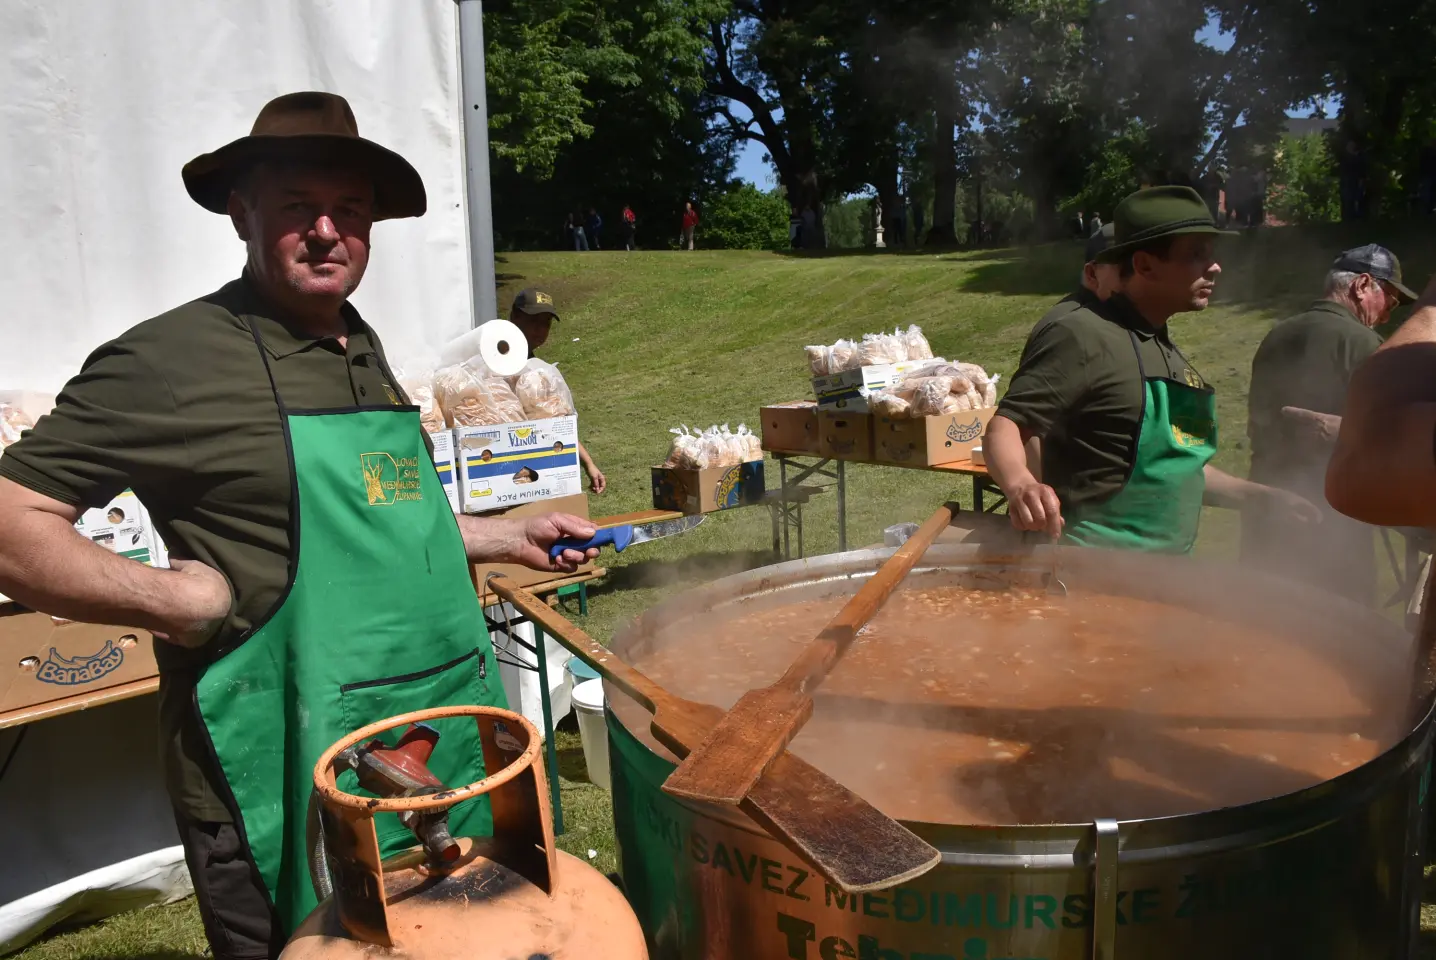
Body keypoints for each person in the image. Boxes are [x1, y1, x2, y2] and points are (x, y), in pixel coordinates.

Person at [0, 92, 601, 959]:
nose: (326, 230)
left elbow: (374, 516)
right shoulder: (170, 360)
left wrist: (500, 535)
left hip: (437, 742)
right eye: (296, 207)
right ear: (242, 213)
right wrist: (174, 600)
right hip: (286, 761)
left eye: (348, 210)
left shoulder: (357, 341)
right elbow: (13, 520)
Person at [985, 186, 1318, 551]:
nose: (1215, 266)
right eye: (1195, 254)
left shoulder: (1166, 350)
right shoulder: (1080, 332)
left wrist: (1257, 497)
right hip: (1088, 575)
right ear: (1144, 265)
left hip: (1166, 578)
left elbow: (1174, 468)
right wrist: (1020, 484)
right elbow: (1007, 425)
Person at [1244, 245, 1415, 604]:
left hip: (1266, 508)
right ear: (1363, 285)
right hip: (1331, 526)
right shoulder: (1363, 342)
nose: (1386, 316)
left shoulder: (1276, 336)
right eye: (1391, 301)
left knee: (1260, 623)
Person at [508, 288, 607, 495]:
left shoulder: (540, 370)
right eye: (534, 320)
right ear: (515, 317)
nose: (541, 330)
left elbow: (559, 422)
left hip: (541, 471)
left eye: (546, 324)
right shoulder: (495, 362)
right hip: (507, 475)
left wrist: (589, 464)